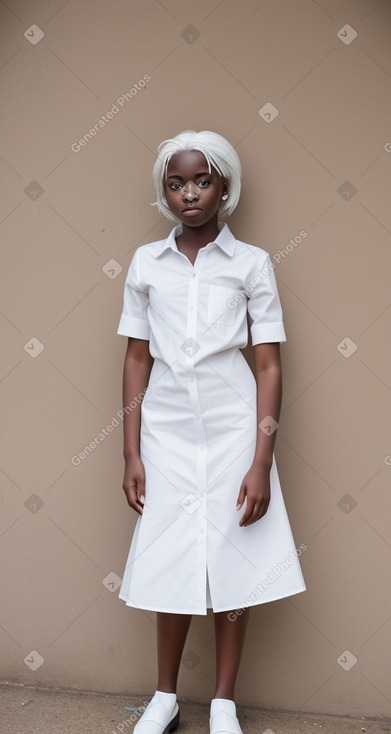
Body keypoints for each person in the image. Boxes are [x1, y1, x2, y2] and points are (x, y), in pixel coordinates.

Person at [117, 130, 306, 734]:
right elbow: (137, 360)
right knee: (171, 557)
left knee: (234, 557)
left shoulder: (251, 263)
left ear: (225, 186)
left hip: (233, 428)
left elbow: (270, 364)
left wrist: (260, 459)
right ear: (164, 192)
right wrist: (131, 452)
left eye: (202, 181)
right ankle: (165, 698)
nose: (189, 193)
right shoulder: (147, 263)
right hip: (166, 432)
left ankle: (223, 700)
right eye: (176, 183)